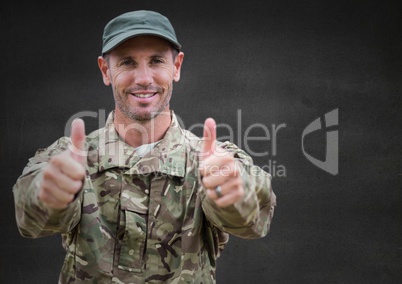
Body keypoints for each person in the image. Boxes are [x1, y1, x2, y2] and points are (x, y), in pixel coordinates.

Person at [13, 10, 276, 283]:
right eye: (127, 62)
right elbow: (30, 219)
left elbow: (253, 220)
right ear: (106, 70)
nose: (143, 78)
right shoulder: (70, 159)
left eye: (156, 61)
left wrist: (235, 194)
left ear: (176, 67)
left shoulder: (211, 161)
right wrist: (49, 197)